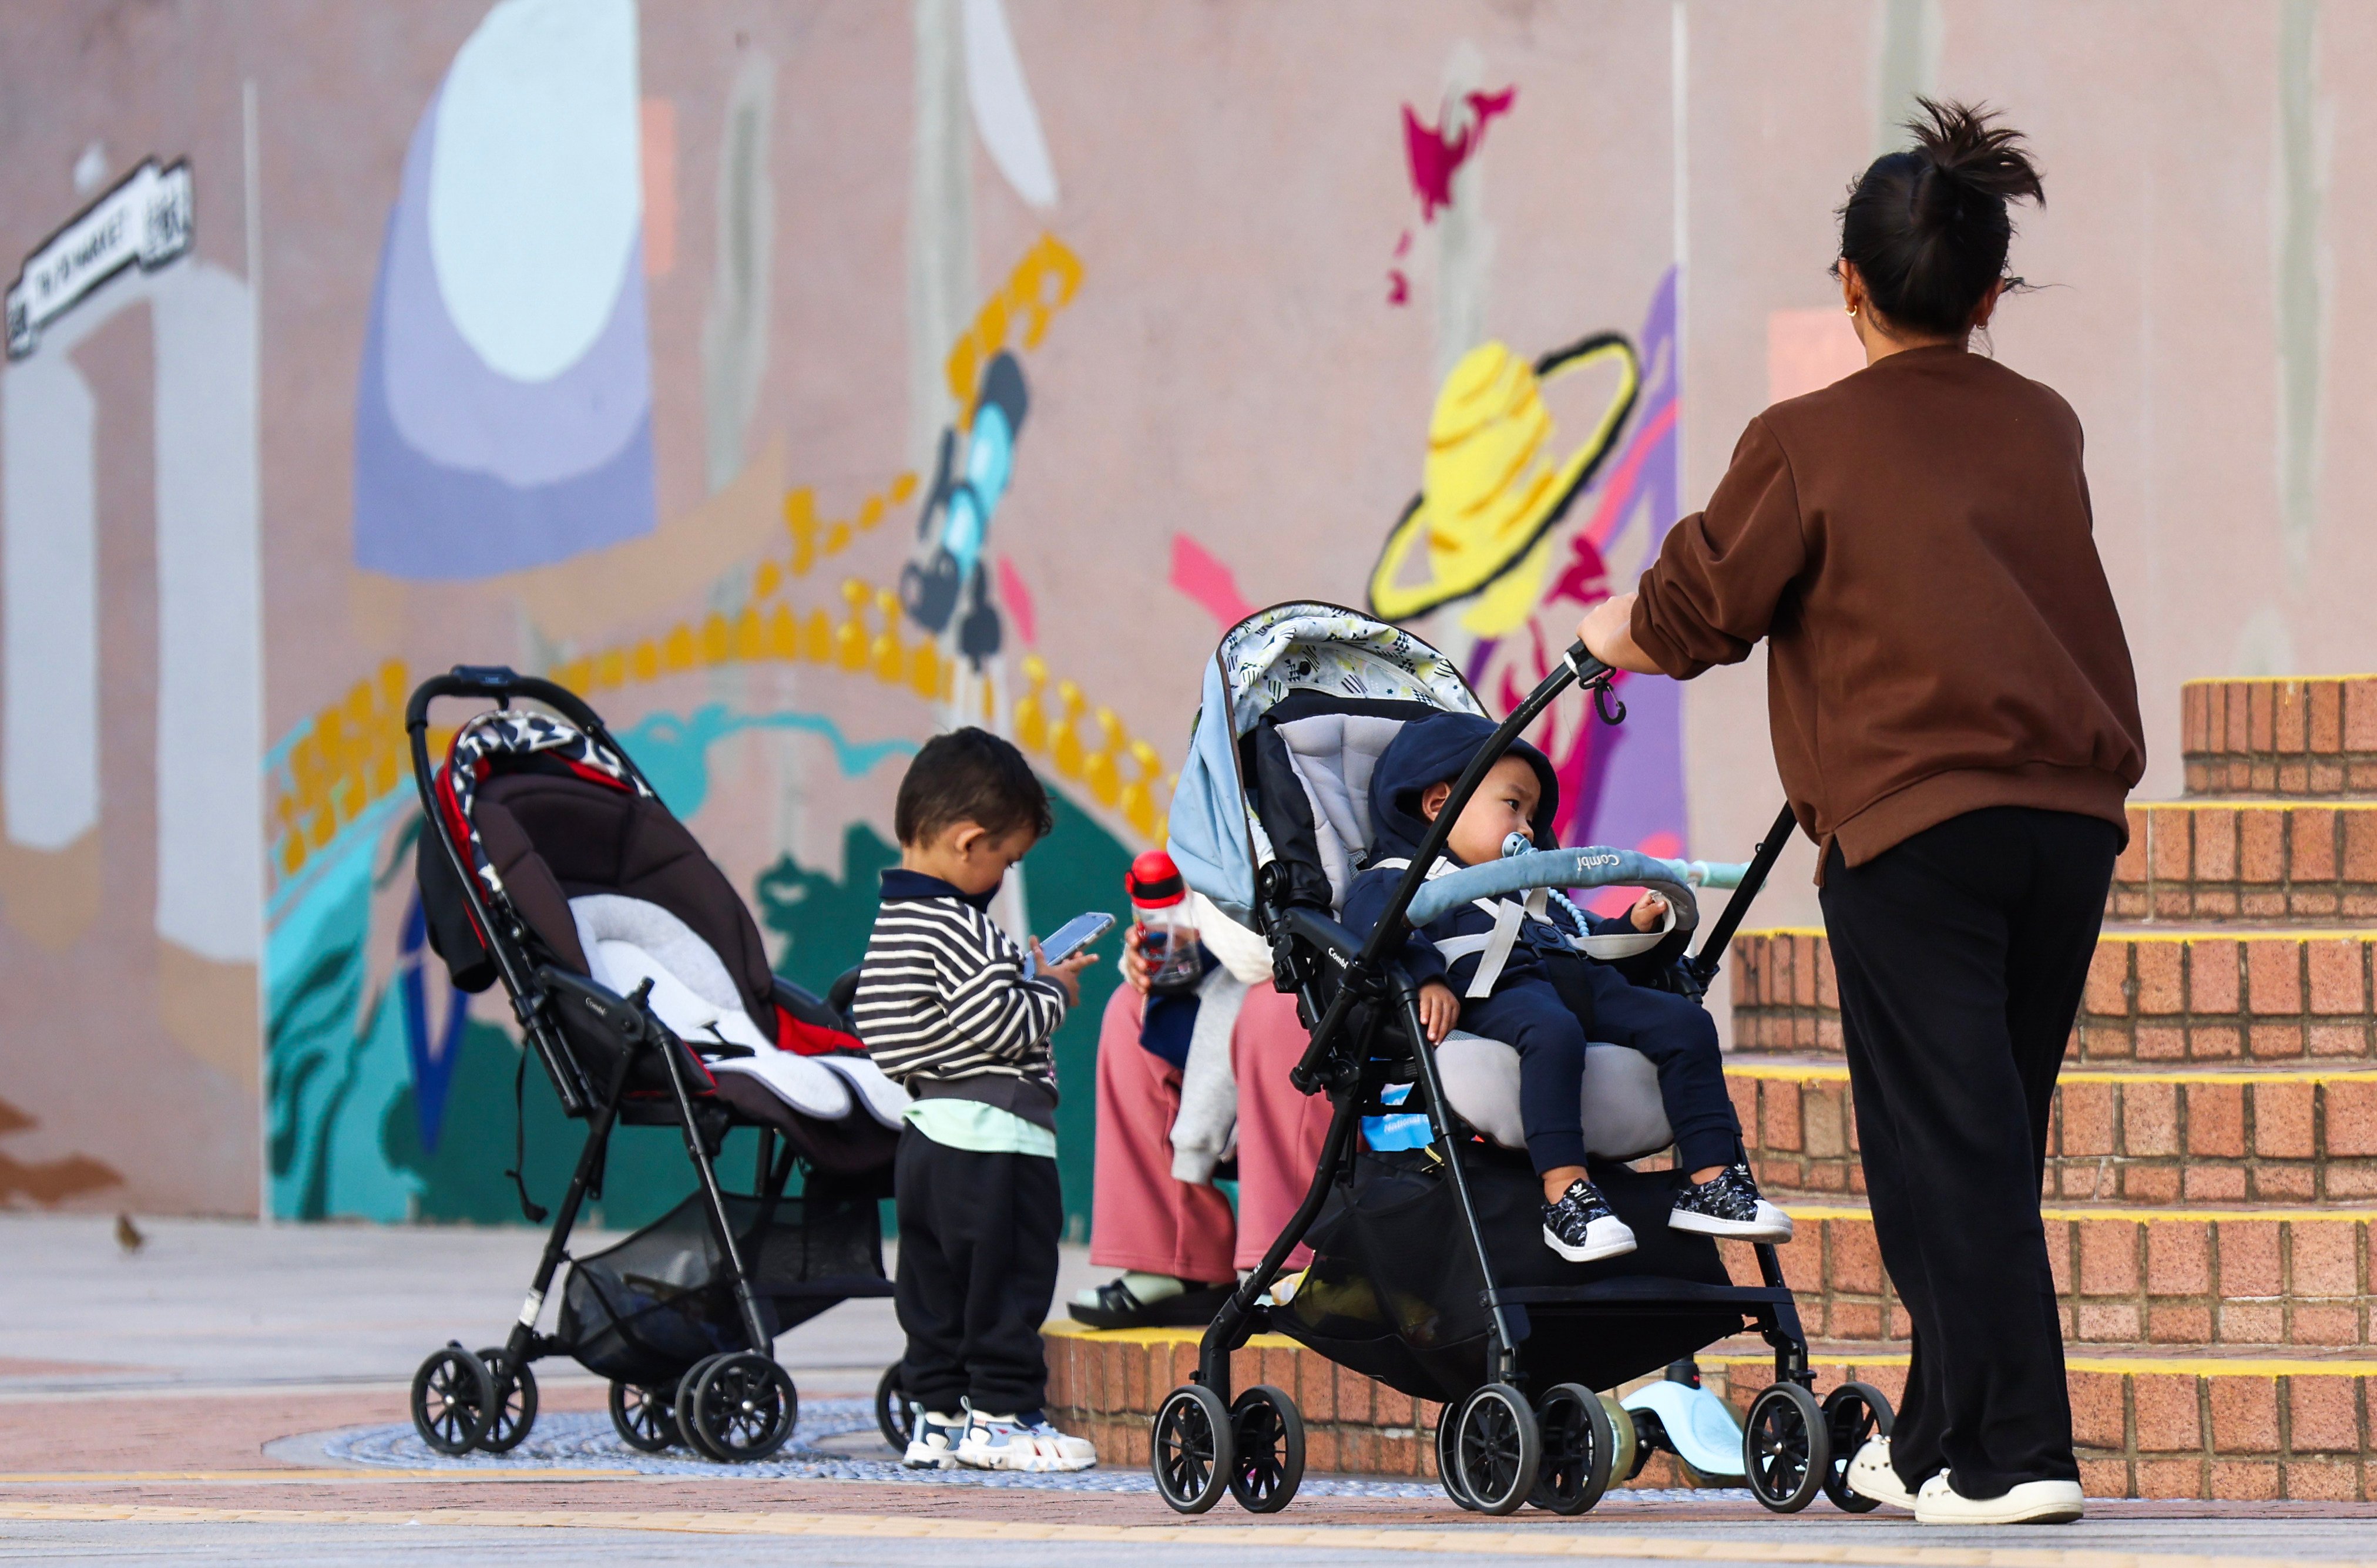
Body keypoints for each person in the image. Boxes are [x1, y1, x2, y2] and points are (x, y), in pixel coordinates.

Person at [1577, 101, 2143, 1526]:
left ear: (1849, 282)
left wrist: (1613, 633)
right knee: (1981, 1132)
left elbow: (1704, 604)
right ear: (1990, 296)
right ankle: (1939, 1435)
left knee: (1940, 1141)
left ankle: (2020, 1452)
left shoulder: (1806, 438)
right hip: (2066, 819)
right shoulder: (2046, 424)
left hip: (1914, 827)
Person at [1338, 710, 1790, 1264]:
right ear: (1438, 804)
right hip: (1495, 990)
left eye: (1532, 815)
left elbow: (1588, 936)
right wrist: (1426, 978)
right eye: (1514, 806)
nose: (1529, 829)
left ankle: (1714, 1181)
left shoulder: (1542, 895)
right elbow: (1374, 932)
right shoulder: (1396, 877)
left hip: (1580, 979)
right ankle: (1566, 1194)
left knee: (1686, 1022)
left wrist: (1635, 927)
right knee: (1552, 1030)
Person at [850, 727, 1102, 1473]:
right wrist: (1049, 991)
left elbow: (903, 1028)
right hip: (996, 1141)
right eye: (1007, 856)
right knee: (1007, 1283)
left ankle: (935, 1419)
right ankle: (1003, 1419)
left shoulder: (892, 924)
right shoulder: (958, 924)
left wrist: (1011, 972)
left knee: (934, 1291)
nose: (1005, 871)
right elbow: (998, 1021)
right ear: (969, 843)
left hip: (925, 1138)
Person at [1072, 894, 1331, 1326]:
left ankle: (1291, 1259)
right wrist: (1171, 948)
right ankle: (1176, 1260)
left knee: (1276, 1008)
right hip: (1239, 968)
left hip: (1327, 964)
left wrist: (1214, 937)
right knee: (1131, 1010)